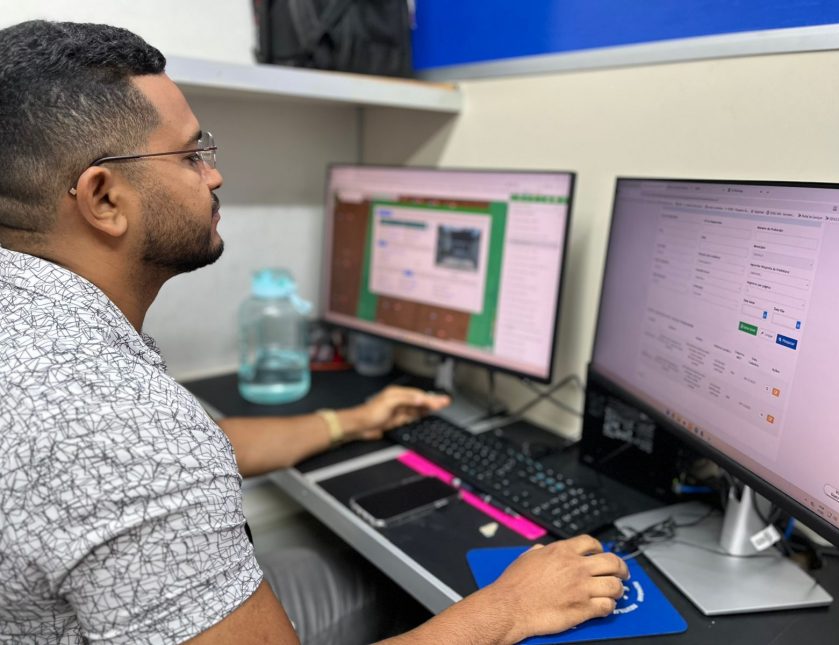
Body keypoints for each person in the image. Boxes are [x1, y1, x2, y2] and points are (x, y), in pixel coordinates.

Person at [0, 20, 629, 645]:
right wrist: (509, 609)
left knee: (317, 563)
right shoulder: (123, 422)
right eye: (191, 156)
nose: (214, 176)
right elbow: (141, 456)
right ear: (104, 199)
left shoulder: (39, 331)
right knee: (381, 585)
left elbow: (152, 461)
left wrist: (351, 421)